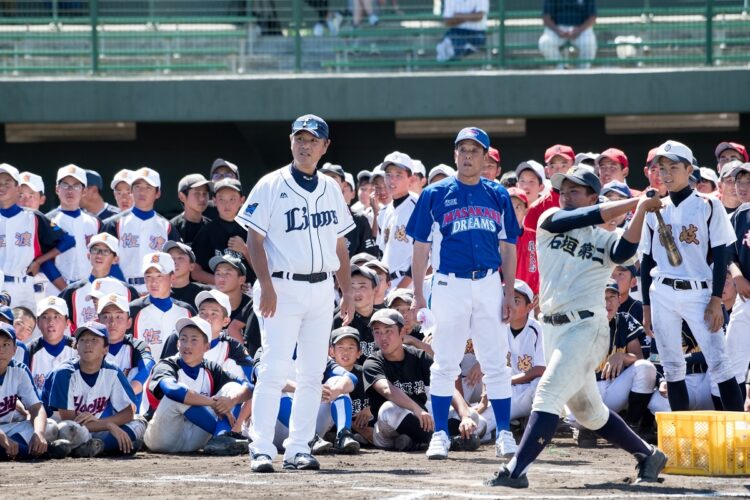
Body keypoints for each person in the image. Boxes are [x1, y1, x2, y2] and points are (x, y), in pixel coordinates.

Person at [486, 165, 666, 488]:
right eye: (564, 190)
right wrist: (635, 203)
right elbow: (581, 218)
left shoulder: (603, 238)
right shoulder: (549, 220)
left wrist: (640, 211)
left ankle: (515, 470)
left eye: (575, 191)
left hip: (587, 328)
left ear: (593, 196)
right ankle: (648, 454)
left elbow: (625, 250)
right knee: (588, 412)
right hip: (553, 329)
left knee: (549, 392)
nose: (566, 196)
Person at [235, 114, 355, 473]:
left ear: (325, 146)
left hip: (321, 289)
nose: (305, 145)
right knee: (273, 369)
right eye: (299, 138)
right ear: (291, 142)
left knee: (312, 372)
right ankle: (260, 448)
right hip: (282, 286)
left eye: (313, 139)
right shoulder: (271, 184)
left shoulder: (331, 188)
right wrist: (267, 285)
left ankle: (299, 447)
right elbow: (254, 240)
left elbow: (340, 244)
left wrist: (346, 290)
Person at [407, 126, 521, 461]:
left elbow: (508, 247)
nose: (468, 156)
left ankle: (503, 433)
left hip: (488, 283)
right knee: (444, 362)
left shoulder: (498, 193)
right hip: (448, 283)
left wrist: (508, 291)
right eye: (462, 149)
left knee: (496, 363)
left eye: (475, 150)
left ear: (486, 157)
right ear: (455, 153)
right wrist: (417, 294)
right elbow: (420, 247)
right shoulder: (435, 193)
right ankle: (440, 432)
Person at [640, 140, 743, 414]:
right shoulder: (653, 209)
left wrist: (716, 299)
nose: (666, 174)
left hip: (699, 290)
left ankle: (739, 434)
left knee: (719, 362)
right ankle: (681, 436)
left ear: (689, 169)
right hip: (661, 290)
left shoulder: (708, 205)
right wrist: (647, 308)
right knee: (672, 366)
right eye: (662, 168)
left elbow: (722, 254)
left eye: (673, 167)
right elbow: (646, 260)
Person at [363, 309, 480, 452]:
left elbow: (446, 385)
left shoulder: (419, 357)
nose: (383, 337)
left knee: (472, 415)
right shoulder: (372, 362)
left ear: (402, 333)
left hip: (421, 419)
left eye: (388, 331)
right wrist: (416, 409)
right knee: (389, 409)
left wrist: (465, 416)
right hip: (388, 431)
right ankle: (449, 440)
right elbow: (387, 390)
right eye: (377, 332)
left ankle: (417, 440)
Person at [144, 316, 252, 455]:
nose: (187, 345)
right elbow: (172, 391)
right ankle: (223, 435)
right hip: (162, 439)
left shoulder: (211, 369)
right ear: (177, 344)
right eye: (183, 339)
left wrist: (231, 401)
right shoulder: (167, 364)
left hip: (194, 441)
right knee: (179, 396)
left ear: (207, 346)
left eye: (194, 340)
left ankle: (222, 438)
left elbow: (249, 387)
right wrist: (212, 403)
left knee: (232, 389)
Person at [45, 321, 147, 457]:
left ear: (106, 349)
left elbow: (128, 412)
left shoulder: (112, 371)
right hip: (59, 429)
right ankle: (109, 447)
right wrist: (109, 425)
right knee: (68, 429)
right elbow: (69, 420)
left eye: (94, 340)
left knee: (140, 421)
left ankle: (95, 447)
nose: (88, 344)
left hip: (93, 426)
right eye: (83, 340)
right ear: (76, 347)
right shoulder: (65, 373)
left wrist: (102, 423)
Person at [573, 281, 656, 448]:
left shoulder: (624, 320)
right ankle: (585, 427)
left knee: (646, 368)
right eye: (602, 298)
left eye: (612, 297)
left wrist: (622, 356)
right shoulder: (580, 323)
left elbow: (639, 356)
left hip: (613, 389)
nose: (607, 303)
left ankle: (630, 426)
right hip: (586, 391)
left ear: (619, 300)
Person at [0, 163, 73, 308]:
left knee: (28, 327)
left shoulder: (34, 217)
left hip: (24, 283)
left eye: (7, 183)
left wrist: (39, 261)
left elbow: (67, 240)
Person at [102, 167, 181, 294]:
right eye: (137, 187)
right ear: (131, 191)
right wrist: (128, 290)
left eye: (148, 187)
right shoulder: (114, 224)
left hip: (157, 291)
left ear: (157, 193)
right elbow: (105, 262)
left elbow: (176, 263)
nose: (142, 192)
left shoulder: (167, 227)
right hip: (120, 290)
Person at [58, 233, 139, 331]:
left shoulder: (128, 291)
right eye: (95, 250)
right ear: (89, 255)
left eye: (106, 251)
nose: (99, 255)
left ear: (115, 259)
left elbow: (134, 326)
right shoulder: (72, 291)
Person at [127, 252, 196, 361]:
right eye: (148, 276)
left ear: (172, 277)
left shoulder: (186, 311)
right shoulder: (133, 309)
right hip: (143, 375)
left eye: (159, 276)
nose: (153, 282)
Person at [96, 293, 154, 414]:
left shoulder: (136, 345)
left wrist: (122, 394)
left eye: (118, 317)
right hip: (96, 406)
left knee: (136, 371)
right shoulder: (89, 344)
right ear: (98, 321)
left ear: (128, 323)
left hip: (128, 404)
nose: (112, 322)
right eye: (106, 317)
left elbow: (148, 366)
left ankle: (135, 417)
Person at [46, 164, 102, 286]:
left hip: (88, 287)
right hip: (57, 288)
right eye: (65, 185)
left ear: (84, 191)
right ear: (57, 189)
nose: (70, 190)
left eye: (76, 186)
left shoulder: (94, 221)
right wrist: (64, 289)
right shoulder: (48, 221)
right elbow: (45, 261)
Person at [191, 178, 254, 285]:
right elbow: (195, 272)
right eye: (221, 199)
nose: (227, 204)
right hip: (218, 293)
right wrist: (227, 283)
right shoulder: (207, 231)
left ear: (242, 200)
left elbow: (266, 268)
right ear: (214, 201)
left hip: (249, 292)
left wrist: (245, 250)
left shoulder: (251, 229)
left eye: (232, 199)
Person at [723, 162, 750, 393]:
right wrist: (737, 274)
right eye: (738, 181)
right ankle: (737, 420)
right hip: (746, 296)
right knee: (733, 359)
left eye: (748, 181)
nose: (742, 186)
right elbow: (728, 253)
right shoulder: (740, 215)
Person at [376, 152, 417, 290]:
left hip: (410, 284)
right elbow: (381, 251)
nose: (392, 180)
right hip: (386, 284)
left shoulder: (418, 207)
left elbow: (425, 254)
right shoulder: (383, 212)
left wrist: (402, 287)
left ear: (410, 179)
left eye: (398, 175)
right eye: (388, 174)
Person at [320, 164, 379, 259]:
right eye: (325, 177)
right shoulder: (310, 215)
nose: (328, 180)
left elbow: (368, 258)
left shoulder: (359, 220)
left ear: (344, 184)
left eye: (333, 177)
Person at [328, 326, 372, 447]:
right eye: (340, 347)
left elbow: (383, 396)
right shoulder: (324, 375)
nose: (345, 352)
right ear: (331, 351)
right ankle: (338, 436)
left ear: (359, 352)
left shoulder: (366, 373)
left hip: (367, 427)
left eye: (351, 348)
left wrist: (370, 409)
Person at [27, 296, 77, 393]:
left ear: (67, 323)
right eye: (45, 317)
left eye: (56, 316)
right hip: (37, 407)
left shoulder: (77, 348)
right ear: (37, 323)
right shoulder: (29, 350)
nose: (51, 322)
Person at [333, 265, 380, 363]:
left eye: (362, 286)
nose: (356, 292)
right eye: (352, 287)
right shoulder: (341, 319)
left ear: (375, 289)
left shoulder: (384, 318)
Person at [539, 0, 597, 68]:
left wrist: (579, 30)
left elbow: (592, 17)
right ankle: (561, 68)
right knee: (544, 43)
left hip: (581, 29)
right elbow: (546, 18)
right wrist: (559, 31)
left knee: (590, 44)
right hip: (557, 28)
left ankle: (582, 73)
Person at [209, 255, 253, 343]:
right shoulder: (207, 305)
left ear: (242, 280)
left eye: (227, 273)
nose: (221, 278)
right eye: (218, 273)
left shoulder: (252, 307)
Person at [163, 241, 211, 308]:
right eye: (170, 258)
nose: (174, 262)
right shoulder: (157, 292)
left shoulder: (205, 293)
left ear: (191, 266)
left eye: (180, 258)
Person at [170, 174, 211, 245]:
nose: (202, 198)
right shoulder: (171, 229)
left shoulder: (212, 227)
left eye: (205, 193)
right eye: (197, 193)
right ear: (182, 197)